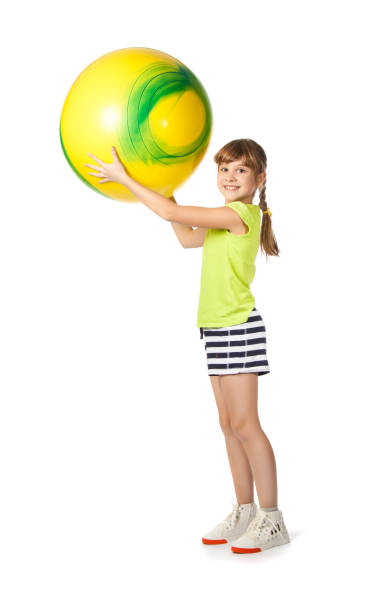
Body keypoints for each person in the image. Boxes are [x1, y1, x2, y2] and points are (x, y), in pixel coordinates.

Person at [84, 138, 290, 554]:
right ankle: (245, 510)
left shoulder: (239, 215)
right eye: (224, 169)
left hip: (237, 329)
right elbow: (185, 236)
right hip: (216, 329)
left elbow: (170, 213)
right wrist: (167, 185)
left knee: (246, 425)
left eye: (241, 170)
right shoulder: (223, 219)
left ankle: (272, 518)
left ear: (259, 179)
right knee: (229, 425)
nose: (230, 177)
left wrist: (126, 178)